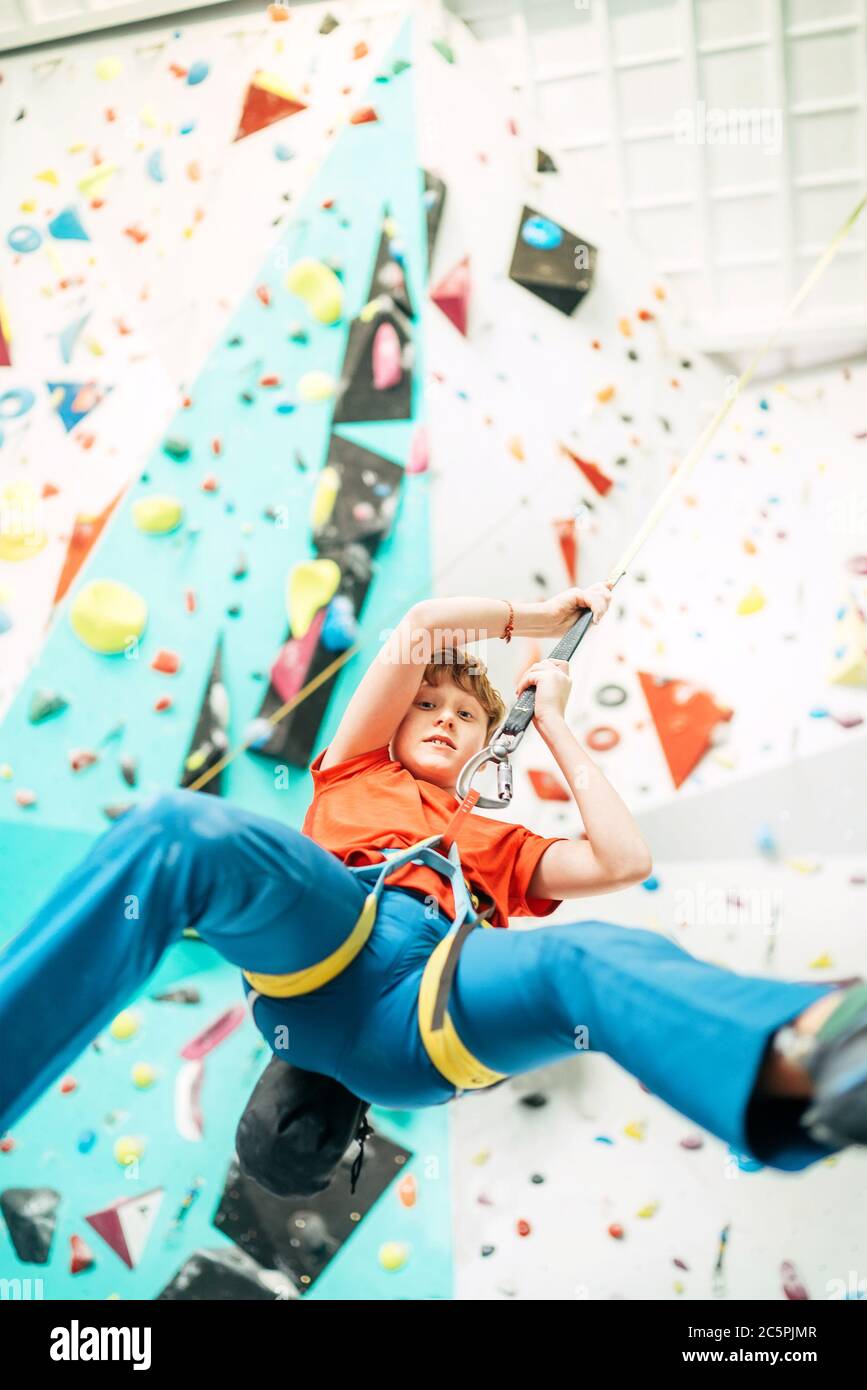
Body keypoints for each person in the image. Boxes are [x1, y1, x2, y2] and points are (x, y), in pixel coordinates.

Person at [1, 588, 866, 1187]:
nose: (447, 717)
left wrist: (553, 720)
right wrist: (530, 620)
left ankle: (810, 1068)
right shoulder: (352, 771)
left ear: (489, 743)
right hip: (327, 950)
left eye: (467, 714)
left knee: (582, 961)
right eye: (429, 705)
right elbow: (420, 628)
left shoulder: (497, 842)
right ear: (396, 717)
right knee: (178, 831)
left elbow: (620, 860)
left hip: (416, 1026)